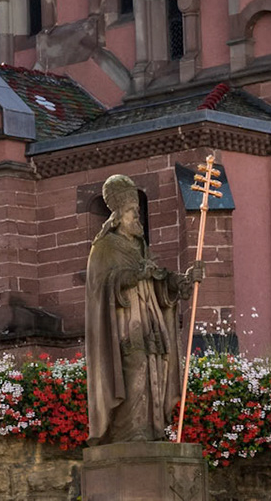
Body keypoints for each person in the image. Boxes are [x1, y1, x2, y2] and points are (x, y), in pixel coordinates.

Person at [85, 173, 202, 443]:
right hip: (125, 325)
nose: (138, 217)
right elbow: (99, 287)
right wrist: (133, 275)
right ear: (117, 216)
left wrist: (182, 281)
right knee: (134, 369)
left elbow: (158, 281)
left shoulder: (140, 246)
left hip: (149, 321)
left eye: (137, 211)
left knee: (153, 370)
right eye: (132, 212)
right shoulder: (103, 247)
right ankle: (128, 434)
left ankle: (152, 430)